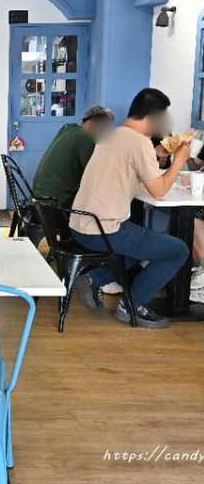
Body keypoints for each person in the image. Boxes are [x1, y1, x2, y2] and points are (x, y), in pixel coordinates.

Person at [70, 88, 190, 329]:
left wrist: (157, 154)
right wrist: (179, 159)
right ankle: (132, 304)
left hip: (80, 224)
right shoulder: (139, 142)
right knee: (177, 250)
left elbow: (128, 171)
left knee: (141, 243)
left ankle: (95, 278)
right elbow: (158, 191)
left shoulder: (112, 135)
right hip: (104, 229)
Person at [32, 106, 115, 207]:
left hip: (38, 200)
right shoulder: (85, 137)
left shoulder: (67, 130)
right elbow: (96, 175)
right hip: (56, 204)